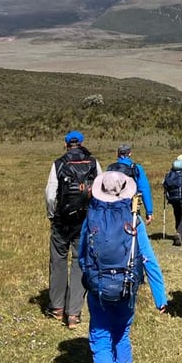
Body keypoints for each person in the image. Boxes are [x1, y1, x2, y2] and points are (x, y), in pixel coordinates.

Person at [79, 171, 168, 363]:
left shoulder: (90, 219)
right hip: (127, 289)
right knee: (121, 334)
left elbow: (82, 256)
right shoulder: (135, 221)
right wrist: (160, 297)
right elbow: (148, 259)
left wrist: (90, 277)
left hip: (97, 288)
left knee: (100, 337)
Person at [44, 130, 102, 328]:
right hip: (84, 220)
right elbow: (101, 190)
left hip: (61, 221)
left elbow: (51, 195)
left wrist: (52, 214)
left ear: (66, 144)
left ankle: (57, 308)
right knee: (79, 262)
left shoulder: (58, 164)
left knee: (58, 260)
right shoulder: (93, 163)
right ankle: (74, 314)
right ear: (82, 143)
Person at [106, 144, 156, 226]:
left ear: (117, 154)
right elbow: (144, 189)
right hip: (130, 204)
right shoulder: (136, 168)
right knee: (135, 227)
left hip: (113, 203)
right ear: (130, 154)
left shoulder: (111, 168)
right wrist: (149, 211)